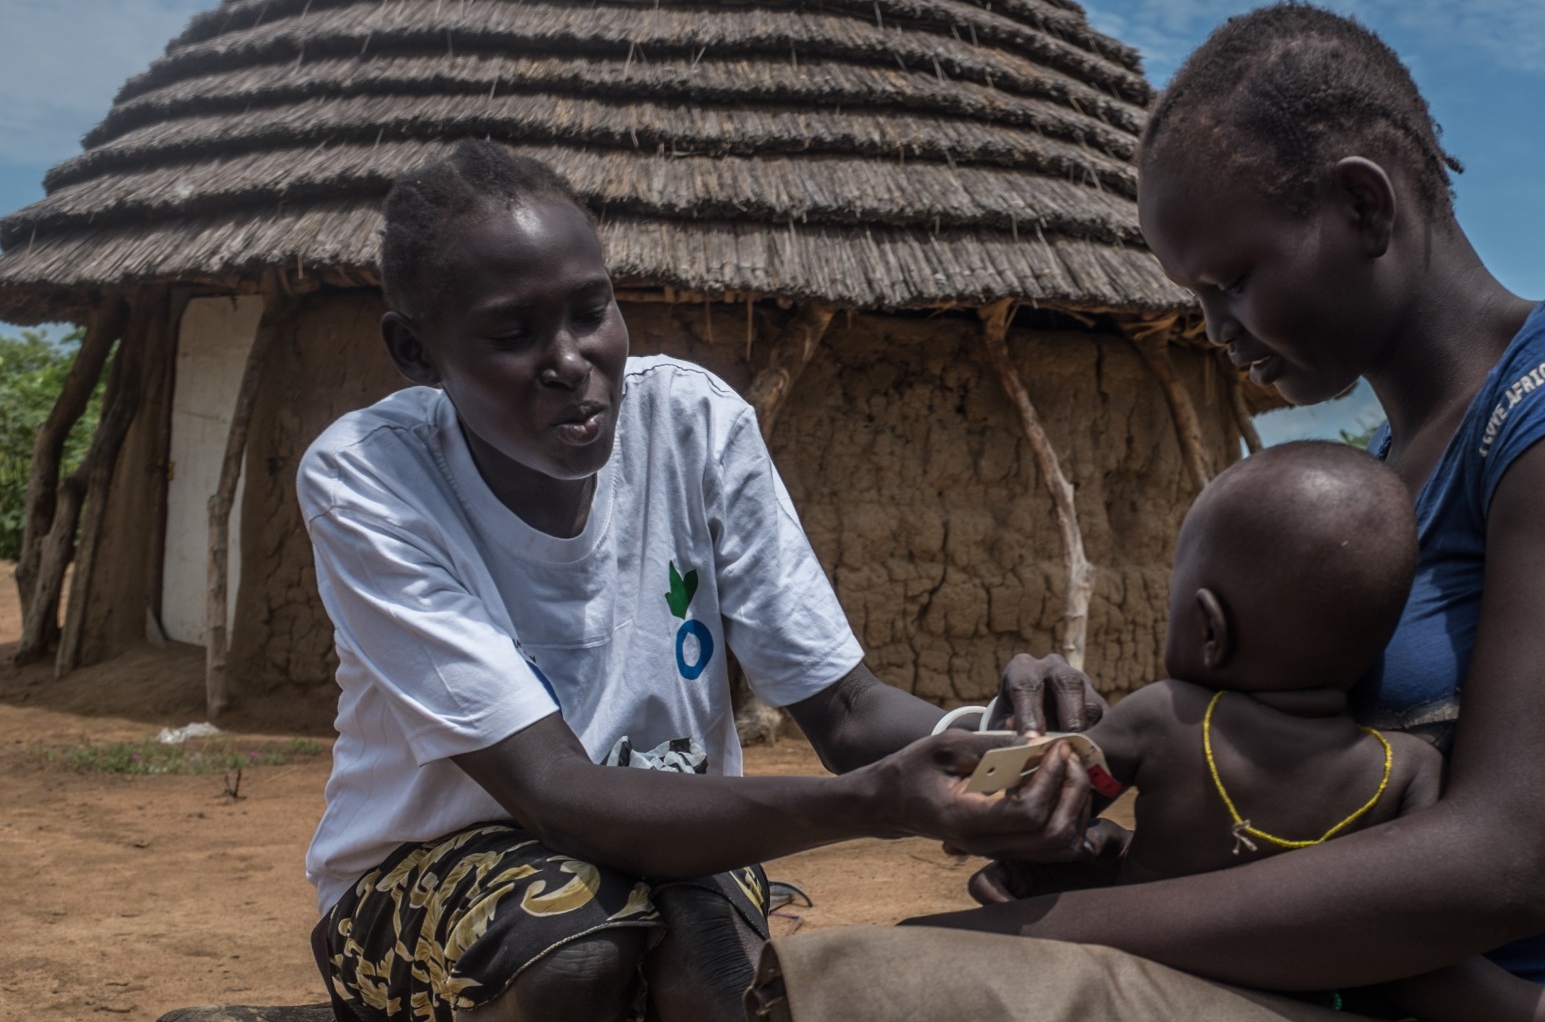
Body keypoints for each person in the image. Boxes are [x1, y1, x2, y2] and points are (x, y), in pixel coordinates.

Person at [753, 1, 1545, 1022]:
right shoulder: (1376, 482)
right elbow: (1328, 819)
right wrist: (1138, 853)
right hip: (1394, 993)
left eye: (1234, 280)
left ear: (1365, 207)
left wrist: (1051, 926)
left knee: (903, 988)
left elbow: (1500, 867)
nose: (1216, 330)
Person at [299, 139, 1098, 1022]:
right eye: (511, 335)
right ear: (416, 353)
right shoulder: (373, 478)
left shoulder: (691, 424)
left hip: (674, 847)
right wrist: (875, 802)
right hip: (426, 877)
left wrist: (1007, 743)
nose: (570, 360)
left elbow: (846, 713)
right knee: (578, 945)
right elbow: (557, 796)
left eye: (590, 310)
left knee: (715, 970)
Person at [1022, 441, 1545, 1022]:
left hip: (1138, 991)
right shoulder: (1407, 769)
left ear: (1208, 629)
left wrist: (1057, 851)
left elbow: (1039, 808)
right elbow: (1428, 963)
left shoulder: (1165, 716)